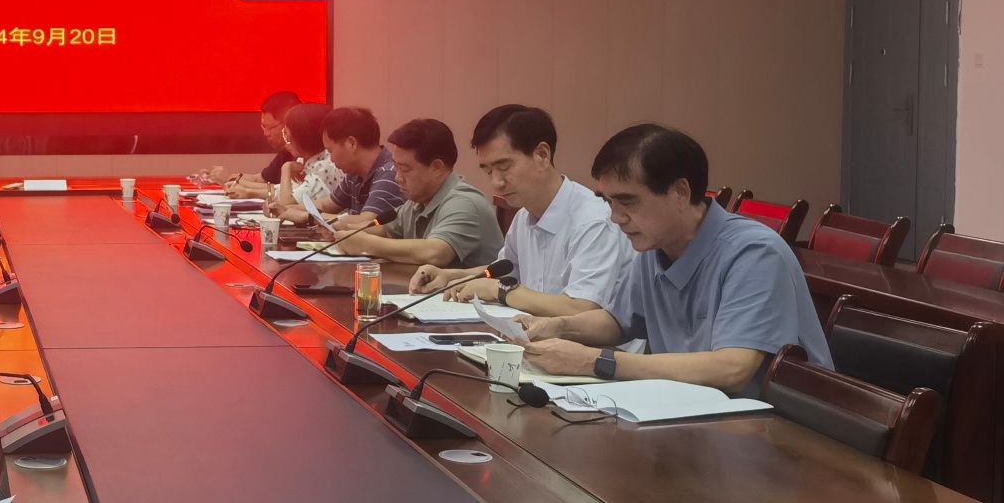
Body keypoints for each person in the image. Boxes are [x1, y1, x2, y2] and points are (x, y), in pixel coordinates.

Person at [522, 124, 832, 395]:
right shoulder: (655, 244)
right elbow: (617, 322)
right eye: (608, 202)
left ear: (680, 192)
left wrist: (597, 362)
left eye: (627, 201)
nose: (615, 218)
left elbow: (733, 369)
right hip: (694, 413)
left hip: (782, 427)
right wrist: (553, 327)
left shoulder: (754, 253)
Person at [408, 105, 632, 318]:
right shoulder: (524, 216)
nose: (496, 183)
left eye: (504, 167)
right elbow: (503, 272)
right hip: (535, 337)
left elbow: (582, 308)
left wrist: (499, 290)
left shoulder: (593, 220)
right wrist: (452, 275)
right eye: (488, 171)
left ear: (542, 155)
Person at [335, 118, 502, 268]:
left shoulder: (464, 203)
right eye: (396, 167)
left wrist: (366, 244)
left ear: (436, 167)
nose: (397, 178)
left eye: (405, 169)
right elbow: (387, 230)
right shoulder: (418, 200)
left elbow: (435, 253)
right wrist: (344, 230)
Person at [316, 106, 405, 225]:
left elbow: (367, 222)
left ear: (351, 143)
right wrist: (293, 211)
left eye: (330, 151)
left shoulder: (389, 173)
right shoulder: (354, 173)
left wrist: (310, 216)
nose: (331, 159)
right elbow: (326, 205)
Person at [207, 91, 301, 197]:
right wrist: (226, 177)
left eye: (269, 128)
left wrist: (238, 185)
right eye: (263, 127)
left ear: (287, 124)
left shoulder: (306, 152)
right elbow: (261, 180)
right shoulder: (285, 152)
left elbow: (291, 193)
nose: (265, 134)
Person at [265, 102, 345, 219]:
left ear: (301, 136)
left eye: (286, 133)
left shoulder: (325, 166)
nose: (285, 138)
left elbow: (285, 203)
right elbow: (284, 194)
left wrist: (286, 168)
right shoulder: (306, 161)